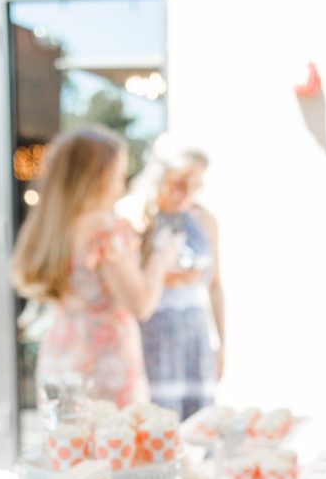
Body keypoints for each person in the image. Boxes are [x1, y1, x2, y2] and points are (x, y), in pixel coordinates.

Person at [11, 126, 182, 408]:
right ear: (101, 176)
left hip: (60, 352)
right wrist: (161, 256)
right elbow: (141, 304)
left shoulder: (52, 227)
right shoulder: (105, 228)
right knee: (112, 434)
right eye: (119, 173)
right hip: (104, 359)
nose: (122, 183)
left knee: (68, 433)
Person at [130, 136, 225, 421]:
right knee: (158, 420)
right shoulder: (140, 219)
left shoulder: (204, 220)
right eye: (181, 181)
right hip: (153, 334)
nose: (187, 192)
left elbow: (215, 286)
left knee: (199, 422)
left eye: (196, 184)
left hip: (194, 332)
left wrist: (222, 344)